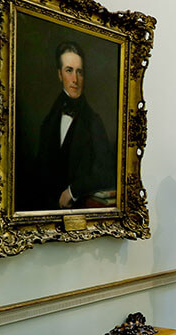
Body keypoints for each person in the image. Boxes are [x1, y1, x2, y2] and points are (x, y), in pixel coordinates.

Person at [31, 41, 114, 210]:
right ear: (60, 75)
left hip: (78, 212)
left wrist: (72, 191)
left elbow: (106, 173)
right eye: (69, 71)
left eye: (79, 72)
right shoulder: (49, 121)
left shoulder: (93, 122)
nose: (75, 79)